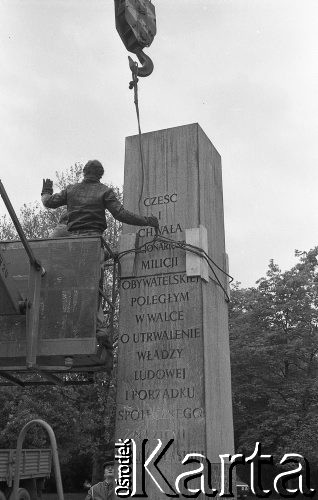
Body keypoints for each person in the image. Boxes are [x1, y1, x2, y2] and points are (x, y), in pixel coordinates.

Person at [41, 159, 159, 235]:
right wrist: (147, 221)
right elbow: (121, 214)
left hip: (73, 240)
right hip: (94, 239)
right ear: (101, 175)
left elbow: (48, 202)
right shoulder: (105, 191)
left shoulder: (71, 189)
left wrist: (46, 191)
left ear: (84, 172)